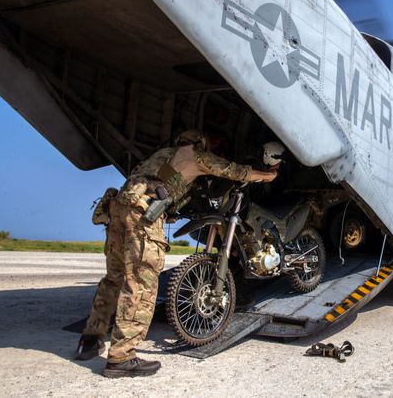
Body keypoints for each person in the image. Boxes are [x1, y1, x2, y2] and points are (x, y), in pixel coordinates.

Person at [75, 129, 278, 378]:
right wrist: (266, 176)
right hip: (143, 215)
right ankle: (121, 358)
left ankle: (89, 340)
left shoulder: (162, 154)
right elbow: (236, 171)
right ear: (200, 143)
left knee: (114, 279)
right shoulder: (195, 156)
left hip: (118, 211)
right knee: (140, 286)